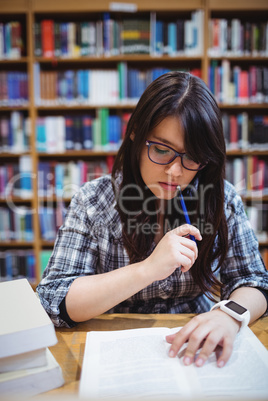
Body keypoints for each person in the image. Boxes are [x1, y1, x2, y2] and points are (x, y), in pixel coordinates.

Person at [37, 71, 268, 369]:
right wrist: (147, 269)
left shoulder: (220, 198)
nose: (175, 172)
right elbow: (53, 299)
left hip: (193, 347)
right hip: (113, 347)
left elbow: (256, 282)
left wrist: (229, 315)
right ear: (135, 132)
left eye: (193, 157)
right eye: (161, 149)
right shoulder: (93, 201)